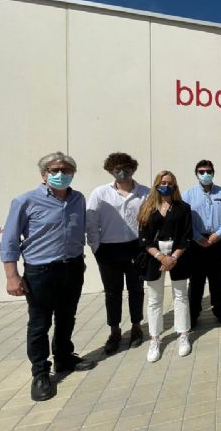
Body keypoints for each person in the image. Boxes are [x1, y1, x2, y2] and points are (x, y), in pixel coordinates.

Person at [0, 152, 96, 402]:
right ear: (44, 174)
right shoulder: (25, 201)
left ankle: (64, 357)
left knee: (67, 316)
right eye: (55, 170)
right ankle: (40, 373)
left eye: (66, 170)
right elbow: (9, 240)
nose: (60, 174)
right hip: (41, 271)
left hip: (72, 267)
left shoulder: (78, 199)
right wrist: (12, 276)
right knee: (39, 323)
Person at [86, 152, 149, 355]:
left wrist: (146, 247)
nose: (122, 172)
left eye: (126, 168)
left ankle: (136, 327)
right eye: (117, 169)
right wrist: (97, 248)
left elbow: (150, 221)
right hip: (108, 250)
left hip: (136, 248)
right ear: (110, 170)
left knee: (136, 289)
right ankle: (114, 331)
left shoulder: (145, 193)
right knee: (112, 293)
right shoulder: (100, 193)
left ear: (133, 168)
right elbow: (91, 223)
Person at [137, 171, 192, 363]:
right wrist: (161, 257)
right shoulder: (147, 208)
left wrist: (173, 257)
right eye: (162, 183)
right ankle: (155, 339)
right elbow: (143, 238)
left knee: (181, 296)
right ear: (156, 185)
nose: (166, 186)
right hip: (154, 257)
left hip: (178, 256)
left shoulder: (183, 208)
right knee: (154, 300)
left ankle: (183, 334)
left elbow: (186, 237)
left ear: (175, 186)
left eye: (169, 183)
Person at [182, 159, 221, 328]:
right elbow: (185, 219)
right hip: (197, 243)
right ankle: (193, 315)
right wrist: (198, 237)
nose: (205, 174)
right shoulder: (188, 195)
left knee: (217, 280)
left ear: (213, 173)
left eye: (208, 171)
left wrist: (218, 234)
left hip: (218, 241)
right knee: (196, 281)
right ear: (196, 174)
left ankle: (220, 313)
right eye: (201, 172)